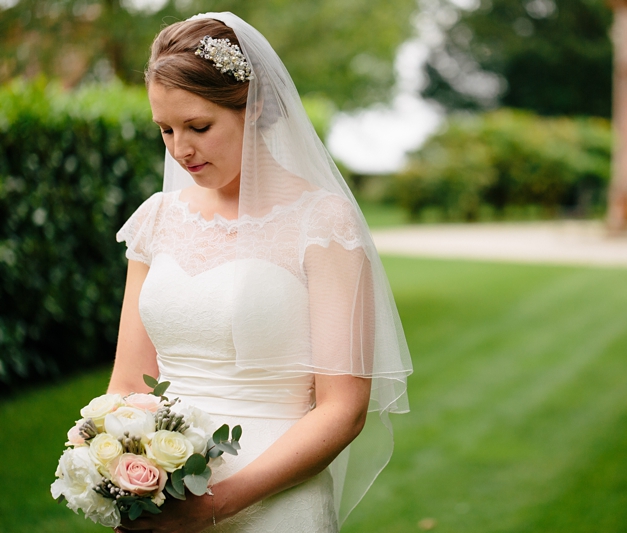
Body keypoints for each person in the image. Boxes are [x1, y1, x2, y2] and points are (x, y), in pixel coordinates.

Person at [106, 12, 412, 533]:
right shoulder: (156, 219)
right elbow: (128, 381)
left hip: (278, 502)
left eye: (199, 126)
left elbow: (344, 410)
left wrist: (213, 505)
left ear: (256, 106)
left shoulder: (323, 224)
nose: (181, 149)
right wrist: (117, 470)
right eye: (166, 130)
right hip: (163, 505)